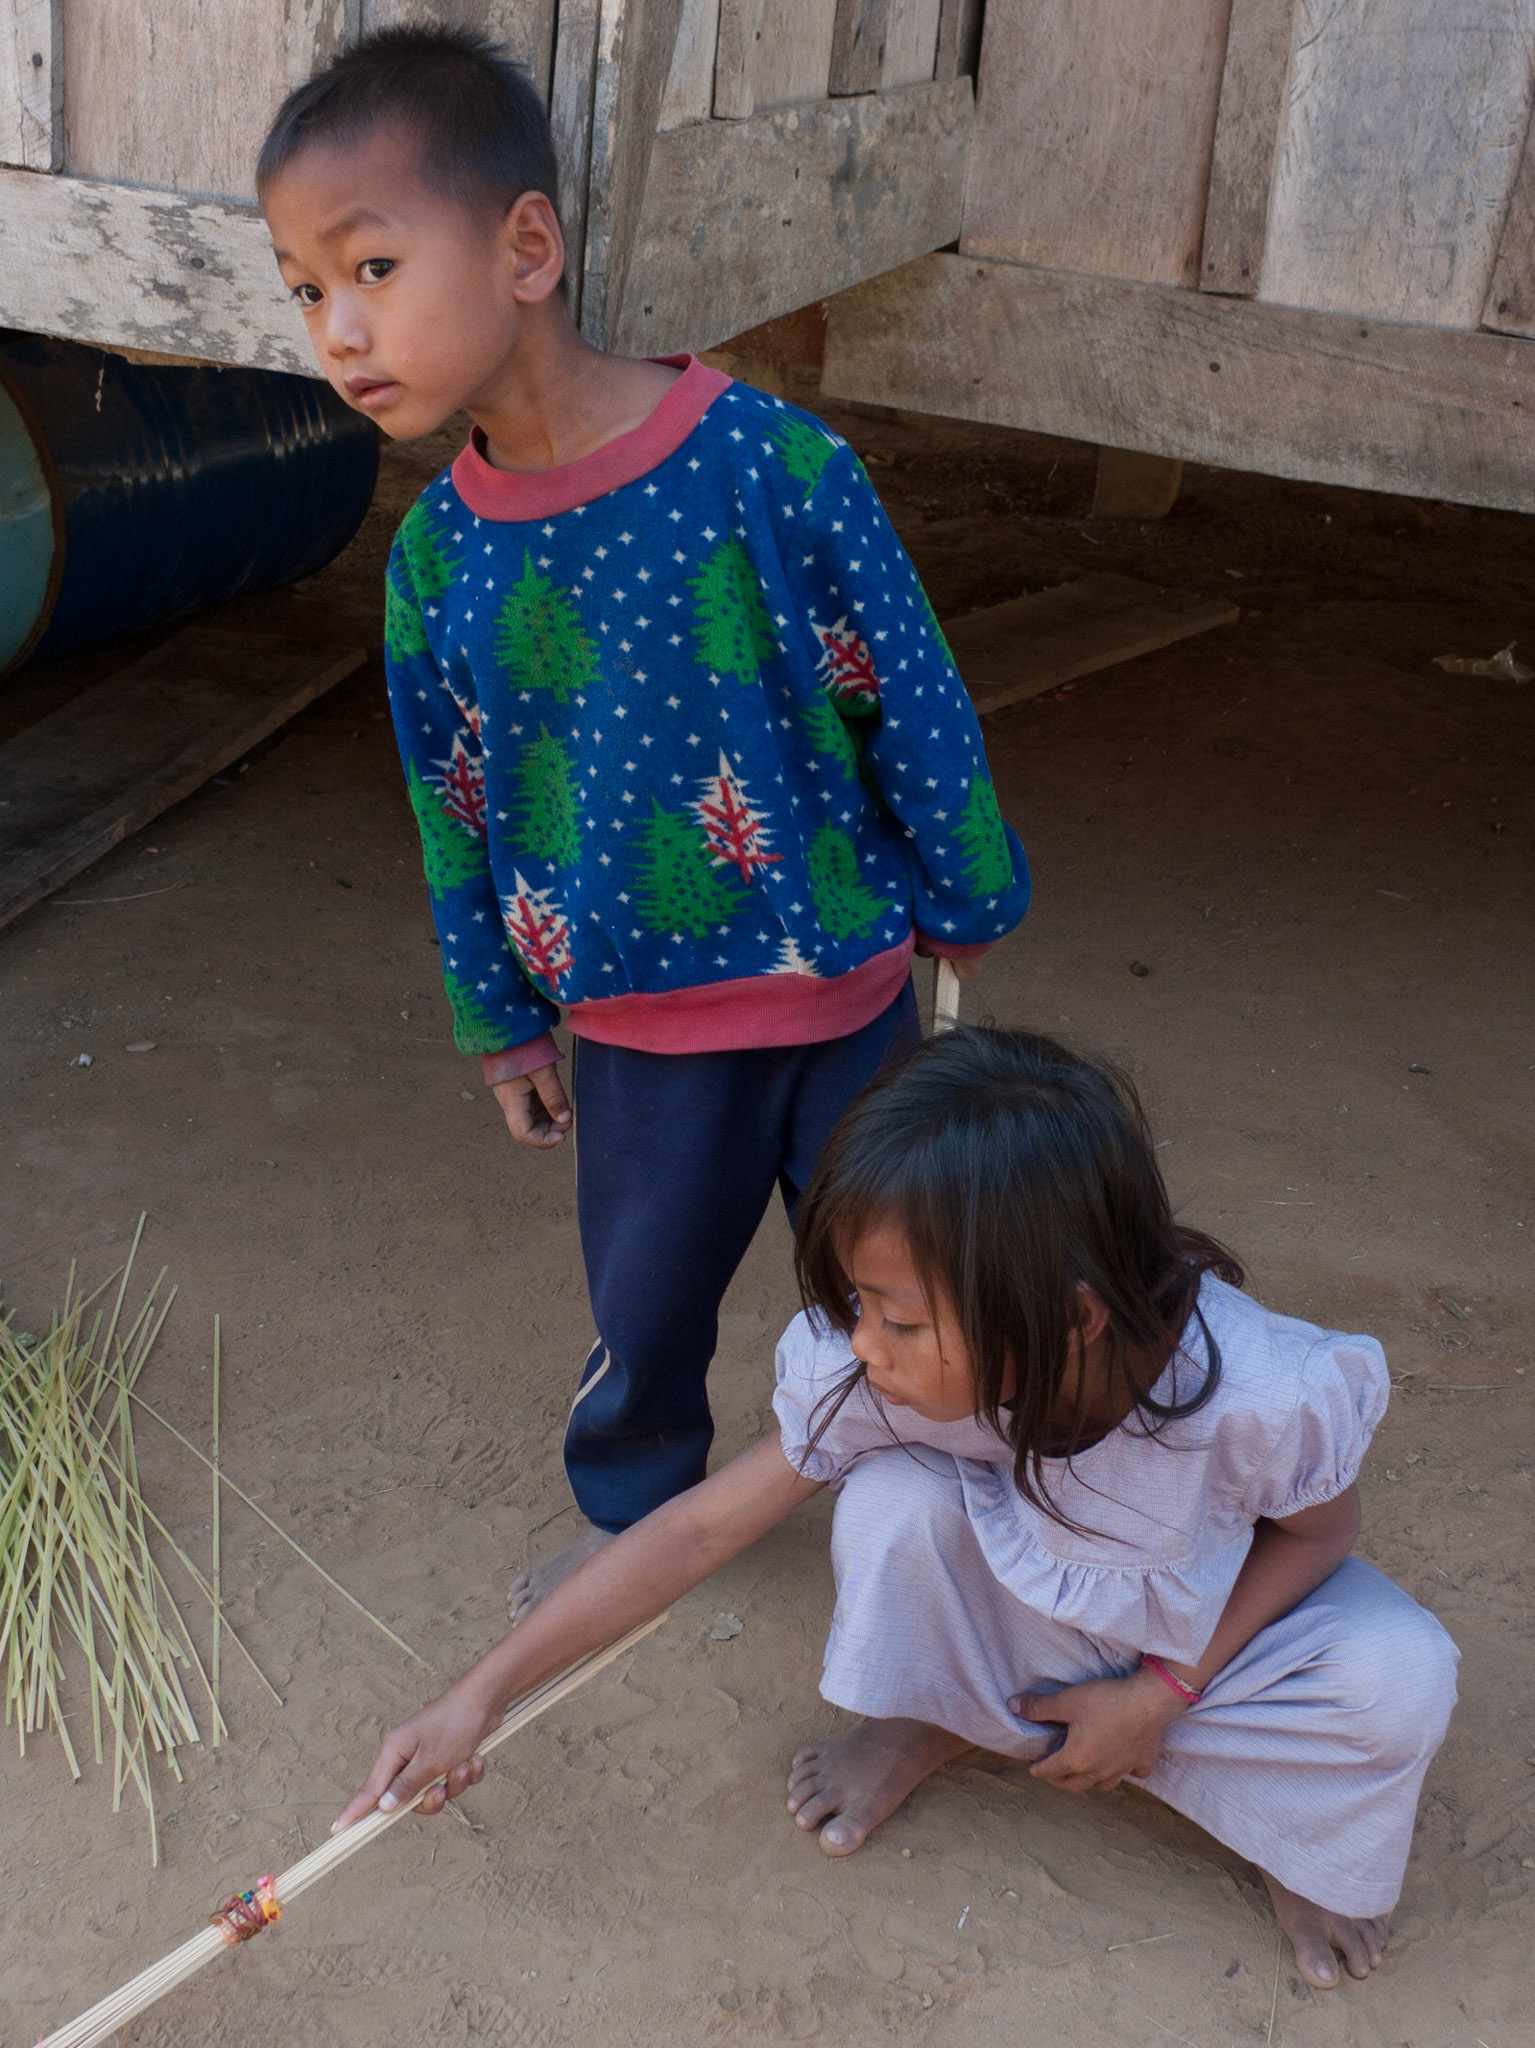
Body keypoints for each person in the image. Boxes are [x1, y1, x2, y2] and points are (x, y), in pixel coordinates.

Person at [256, 27, 1029, 1595]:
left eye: (373, 267)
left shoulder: (770, 465)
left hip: (839, 989)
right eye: (304, 291)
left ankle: (947, 1502)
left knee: (909, 1274)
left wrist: (966, 891)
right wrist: (498, 1020)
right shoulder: (434, 567)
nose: (339, 330)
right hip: (628, 1029)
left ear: (524, 246)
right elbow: (451, 812)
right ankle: (637, 1518)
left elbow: (906, 683)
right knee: (647, 1295)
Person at [333, 1026, 1458, 1994]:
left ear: (1068, 1318)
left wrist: (1158, 1694)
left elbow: (1319, 1536)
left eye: (899, 1319)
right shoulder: (872, 1373)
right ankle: (929, 1721)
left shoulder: (1262, 1393)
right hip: (1034, 1601)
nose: (863, 1345)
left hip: (1197, 1625)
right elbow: (695, 1527)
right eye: (857, 1304)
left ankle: (1277, 1827)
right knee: (888, 1506)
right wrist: (474, 1697)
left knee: (1395, 1672)